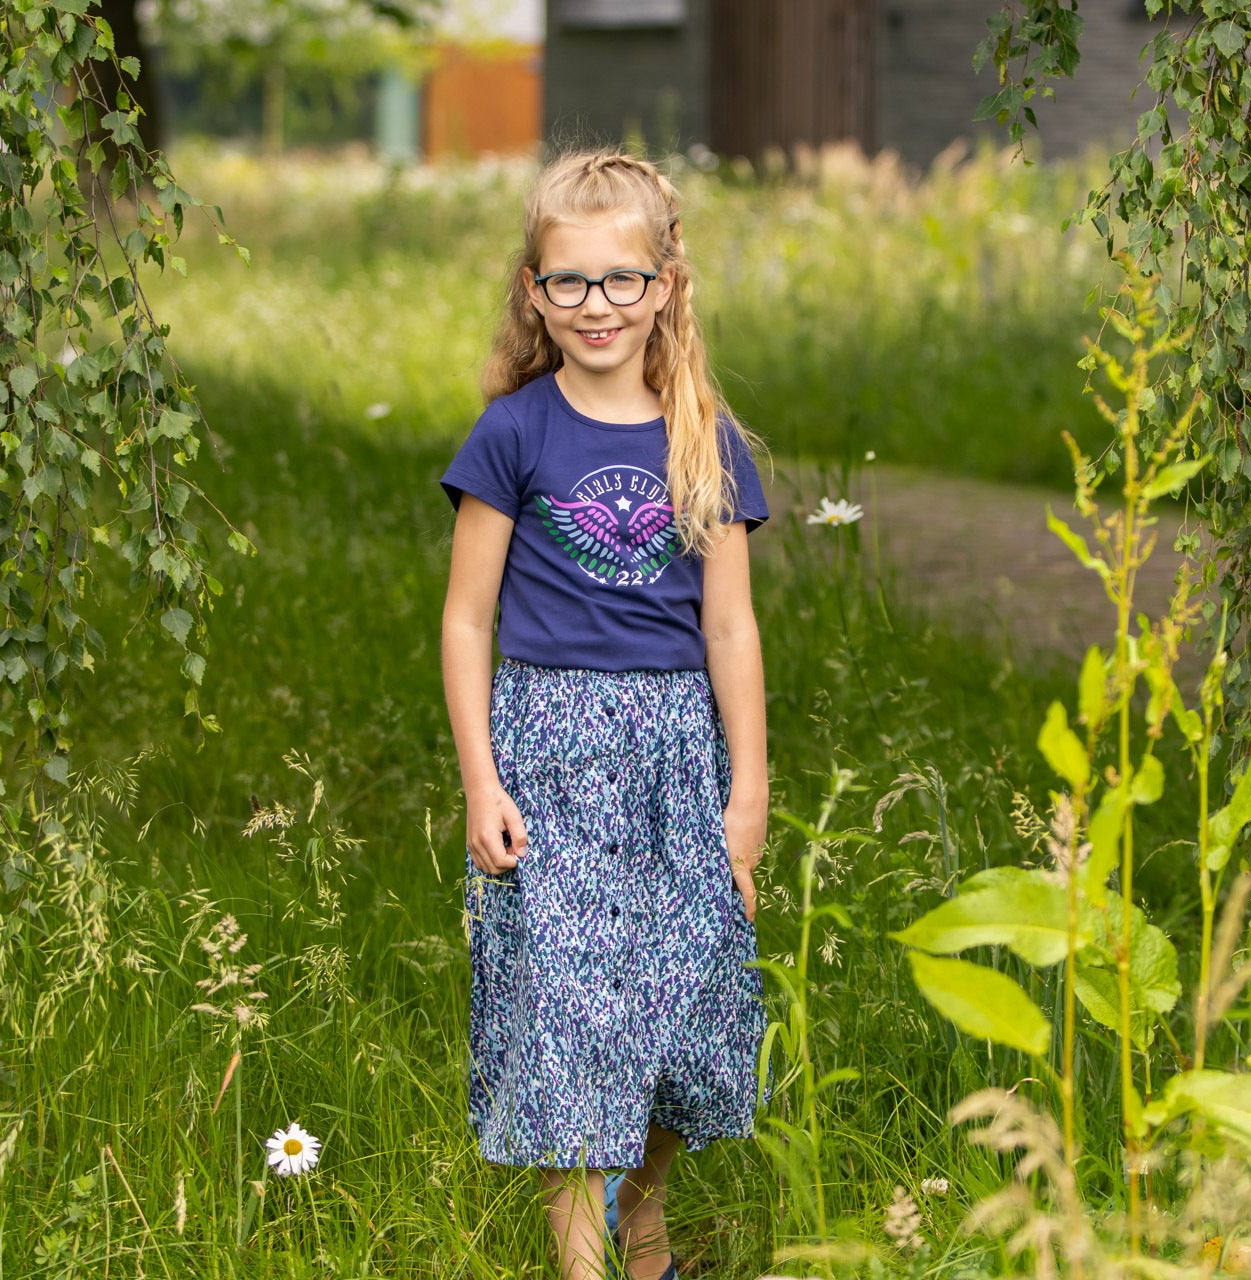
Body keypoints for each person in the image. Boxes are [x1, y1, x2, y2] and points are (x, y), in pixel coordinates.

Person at [438, 149, 771, 1280]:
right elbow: (466, 619)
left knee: (690, 1011)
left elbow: (731, 630)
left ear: (665, 285)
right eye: (569, 281)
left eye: (622, 279)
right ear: (534, 292)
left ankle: (645, 1214)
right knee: (570, 1027)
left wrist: (748, 791)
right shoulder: (514, 433)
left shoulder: (704, 438)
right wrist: (482, 779)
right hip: (550, 754)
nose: (597, 305)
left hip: (677, 757)